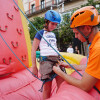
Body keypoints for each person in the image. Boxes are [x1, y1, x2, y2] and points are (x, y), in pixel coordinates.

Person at [53, 6, 100, 97]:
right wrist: (70, 66)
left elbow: (84, 86)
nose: (75, 36)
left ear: (87, 28)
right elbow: (90, 67)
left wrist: (60, 73)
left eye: (76, 33)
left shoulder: (98, 49)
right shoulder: (96, 43)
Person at [31, 10, 64, 100]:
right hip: (46, 61)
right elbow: (33, 50)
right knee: (47, 88)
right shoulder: (40, 33)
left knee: (62, 84)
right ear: (47, 22)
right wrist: (34, 66)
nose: (54, 26)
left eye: (56, 24)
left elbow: (54, 47)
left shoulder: (53, 34)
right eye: (52, 24)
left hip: (56, 60)